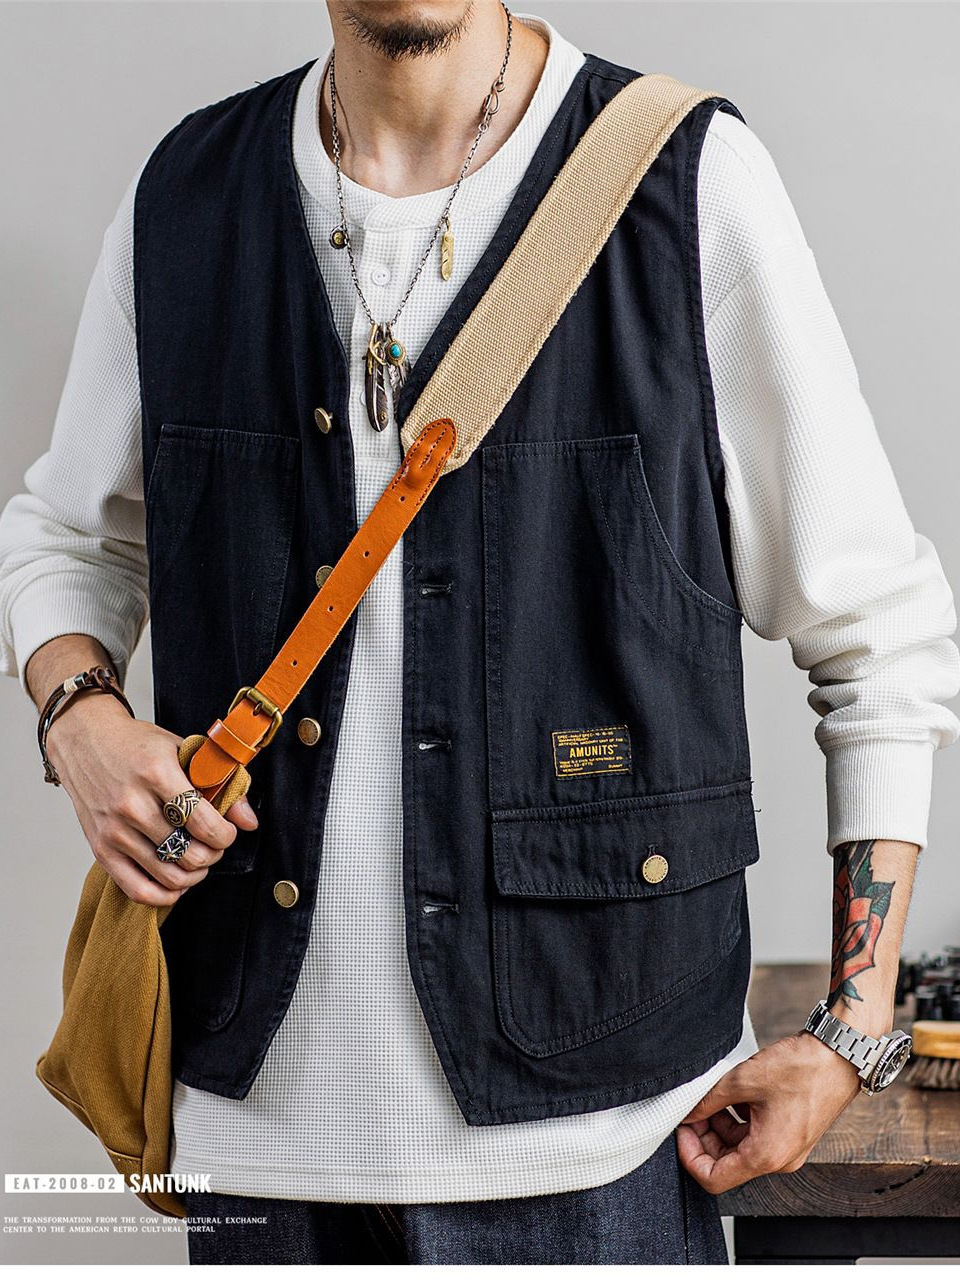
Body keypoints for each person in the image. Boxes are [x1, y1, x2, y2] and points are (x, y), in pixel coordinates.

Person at [2, 1, 958, 1266]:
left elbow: (879, 631)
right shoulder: (185, 195)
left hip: (607, 1144)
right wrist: (81, 722)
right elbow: (68, 537)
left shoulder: (689, 182)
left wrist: (854, 1027)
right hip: (253, 1147)